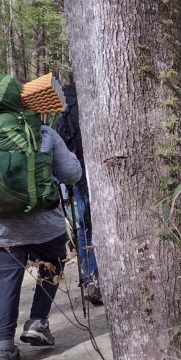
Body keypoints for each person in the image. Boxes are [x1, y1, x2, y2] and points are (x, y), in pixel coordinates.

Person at [0, 118, 82, 360]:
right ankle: (37, 321)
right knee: (53, 263)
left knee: (4, 280)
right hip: (44, 224)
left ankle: (3, 352)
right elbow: (72, 175)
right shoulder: (43, 132)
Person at [56, 83, 102, 305]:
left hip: (75, 172)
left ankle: (87, 278)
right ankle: (95, 279)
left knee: (84, 226)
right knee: (95, 225)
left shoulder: (63, 112)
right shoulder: (90, 103)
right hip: (96, 167)